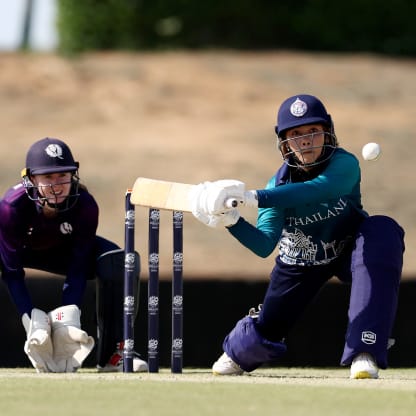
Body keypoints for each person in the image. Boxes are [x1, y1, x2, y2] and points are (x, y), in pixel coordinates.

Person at [190, 94, 405, 379]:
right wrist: (231, 221)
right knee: (266, 330)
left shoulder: (345, 164)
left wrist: (252, 197)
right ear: (284, 143)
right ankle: (238, 349)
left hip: (350, 248)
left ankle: (364, 351)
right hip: (301, 260)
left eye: (313, 132)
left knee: (383, 230)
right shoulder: (277, 185)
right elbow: (265, 244)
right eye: (296, 134)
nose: (306, 140)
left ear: (327, 134)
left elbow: (318, 190)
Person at [0, 137, 148, 373]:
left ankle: (114, 354)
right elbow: (11, 272)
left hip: (64, 252)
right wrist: (30, 318)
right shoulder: (11, 208)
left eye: (62, 176)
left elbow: (77, 265)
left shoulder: (86, 206)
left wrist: (67, 319)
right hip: (21, 252)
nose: (56, 185)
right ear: (31, 179)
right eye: (48, 177)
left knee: (120, 261)